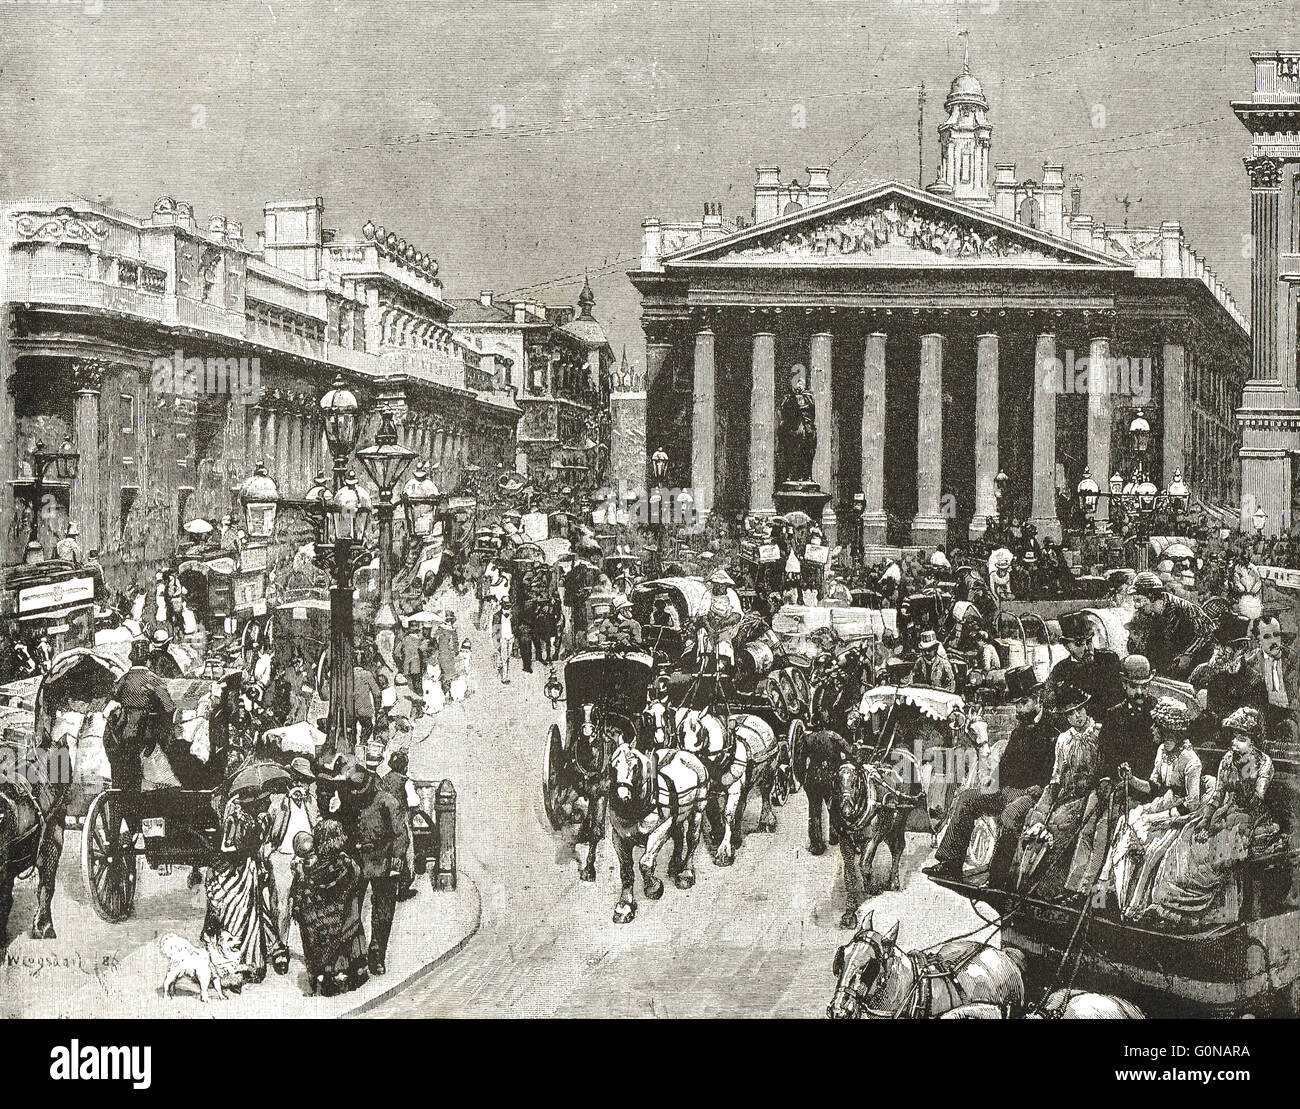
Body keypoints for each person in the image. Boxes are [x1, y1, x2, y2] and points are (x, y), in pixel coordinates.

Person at [926, 667, 1055, 882]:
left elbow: (1053, 772)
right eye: (1016, 705)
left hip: (1032, 794)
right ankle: (950, 863)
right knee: (967, 798)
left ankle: (998, 876)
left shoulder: (1053, 730)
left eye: (1023, 704)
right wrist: (991, 780)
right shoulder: (1019, 730)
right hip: (1005, 789)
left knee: (1009, 815)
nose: (1019, 710)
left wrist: (1039, 789)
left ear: (1037, 699)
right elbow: (1005, 765)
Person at [1062, 655, 1157, 904]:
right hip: (1111, 785)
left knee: (1104, 827)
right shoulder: (1113, 715)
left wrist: (1130, 784)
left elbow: (1156, 766)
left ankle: (1091, 893)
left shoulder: (1157, 714)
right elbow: (1104, 756)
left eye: (1144, 686)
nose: (1139, 691)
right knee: (1087, 823)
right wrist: (1104, 781)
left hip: (1139, 791)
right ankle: (1073, 886)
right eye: (1134, 686)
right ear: (1124, 685)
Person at [1106, 698, 1203, 919]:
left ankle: (1137, 904)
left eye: (1155, 725)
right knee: (1126, 822)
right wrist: (1131, 779)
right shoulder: (1162, 751)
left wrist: (1159, 818)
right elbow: (1153, 787)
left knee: (1151, 851)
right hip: (1164, 803)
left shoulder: (1191, 761)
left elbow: (1193, 803)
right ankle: (1115, 892)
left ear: (1167, 729)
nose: (1151, 729)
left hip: (1181, 818)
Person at [1014, 684, 1101, 899]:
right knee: (1033, 825)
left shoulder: (1100, 734)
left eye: (1080, 709)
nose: (1077, 716)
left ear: (1086, 708)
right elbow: (1055, 780)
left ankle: (1055, 892)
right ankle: (1021, 885)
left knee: (1059, 828)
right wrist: (1041, 810)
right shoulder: (1063, 740)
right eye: (1071, 713)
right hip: (1067, 798)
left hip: (1093, 798)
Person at [341, 761, 408, 976]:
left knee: (383, 911)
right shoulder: (350, 801)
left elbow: (400, 834)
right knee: (351, 908)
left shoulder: (388, 802)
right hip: (358, 862)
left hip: (383, 861)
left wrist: (397, 859)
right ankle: (354, 955)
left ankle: (377, 953)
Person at [289, 819, 368, 996]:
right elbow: (357, 877)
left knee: (322, 949)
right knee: (346, 942)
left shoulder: (307, 867)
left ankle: (324, 979)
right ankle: (350, 974)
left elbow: (300, 893)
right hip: (342, 914)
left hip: (318, 921)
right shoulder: (342, 861)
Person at [1127, 571, 1213, 679]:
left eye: (1139, 600)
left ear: (1151, 596)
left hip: (1190, 666)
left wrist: (1188, 654)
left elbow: (1208, 630)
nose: (1136, 606)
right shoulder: (1143, 615)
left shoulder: (1182, 609)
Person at [1046, 612, 1124, 717]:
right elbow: (1048, 700)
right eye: (1079, 643)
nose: (1087, 648)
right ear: (1066, 646)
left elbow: (1121, 695)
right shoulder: (1060, 670)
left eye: (1089, 641)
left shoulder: (1109, 659)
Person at [1247, 611, 1299, 744]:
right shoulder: (1251, 663)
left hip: (1290, 712)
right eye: (1267, 637)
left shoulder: (1292, 659)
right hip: (1264, 714)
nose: (1274, 641)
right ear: (1258, 640)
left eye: (1276, 635)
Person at [379, 749, 421, 901]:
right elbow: (414, 802)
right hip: (400, 821)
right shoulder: (405, 782)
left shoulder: (383, 779)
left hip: (383, 822)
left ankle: (387, 886)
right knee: (405, 851)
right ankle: (402, 888)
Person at [352, 663, 381, 749]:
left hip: (350, 708)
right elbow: (377, 692)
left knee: (351, 729)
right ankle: (362, 745)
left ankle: (351, 746)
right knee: (368, 726)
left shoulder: (347, 674)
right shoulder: (367, 674)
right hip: (364, 707)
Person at [395, 618, 426, 696]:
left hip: (406, 667)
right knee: (418, 688)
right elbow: (423, 651)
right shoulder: (419, 640)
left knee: (410, 688)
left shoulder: (404, 639)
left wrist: (404, 658)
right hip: (416, 666)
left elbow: (396, 652)